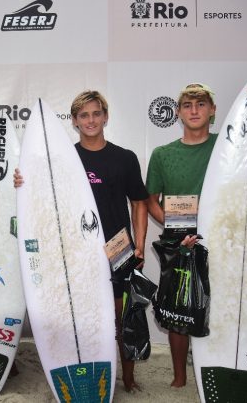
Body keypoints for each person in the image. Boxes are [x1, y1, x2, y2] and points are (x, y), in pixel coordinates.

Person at [145, 72, 247, 388]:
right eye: (187, 105)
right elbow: (151, 201)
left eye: (200, 104)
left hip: (226, 241)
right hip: (180, 241)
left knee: (222, 304)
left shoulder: (233, 145)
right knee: (179, 311)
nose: (194, 111)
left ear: (213, 109)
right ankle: (179, 378)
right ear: (177, 112)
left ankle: (218, 362)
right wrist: (174, 226)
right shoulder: (162, 154)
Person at [15, 90, 149, 391]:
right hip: (78, 252)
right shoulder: (65, 158)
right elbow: (39, 191)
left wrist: (139, 243)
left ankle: (127, 378)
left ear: (105, 116)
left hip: (117, 251)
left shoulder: (124, 158)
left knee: (120, 316)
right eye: (84, 115)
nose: (91, 120)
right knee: (85, 315)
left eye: (96, 114)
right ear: (74, 121)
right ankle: (84, 370)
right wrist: (22, 182)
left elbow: (139, 202)